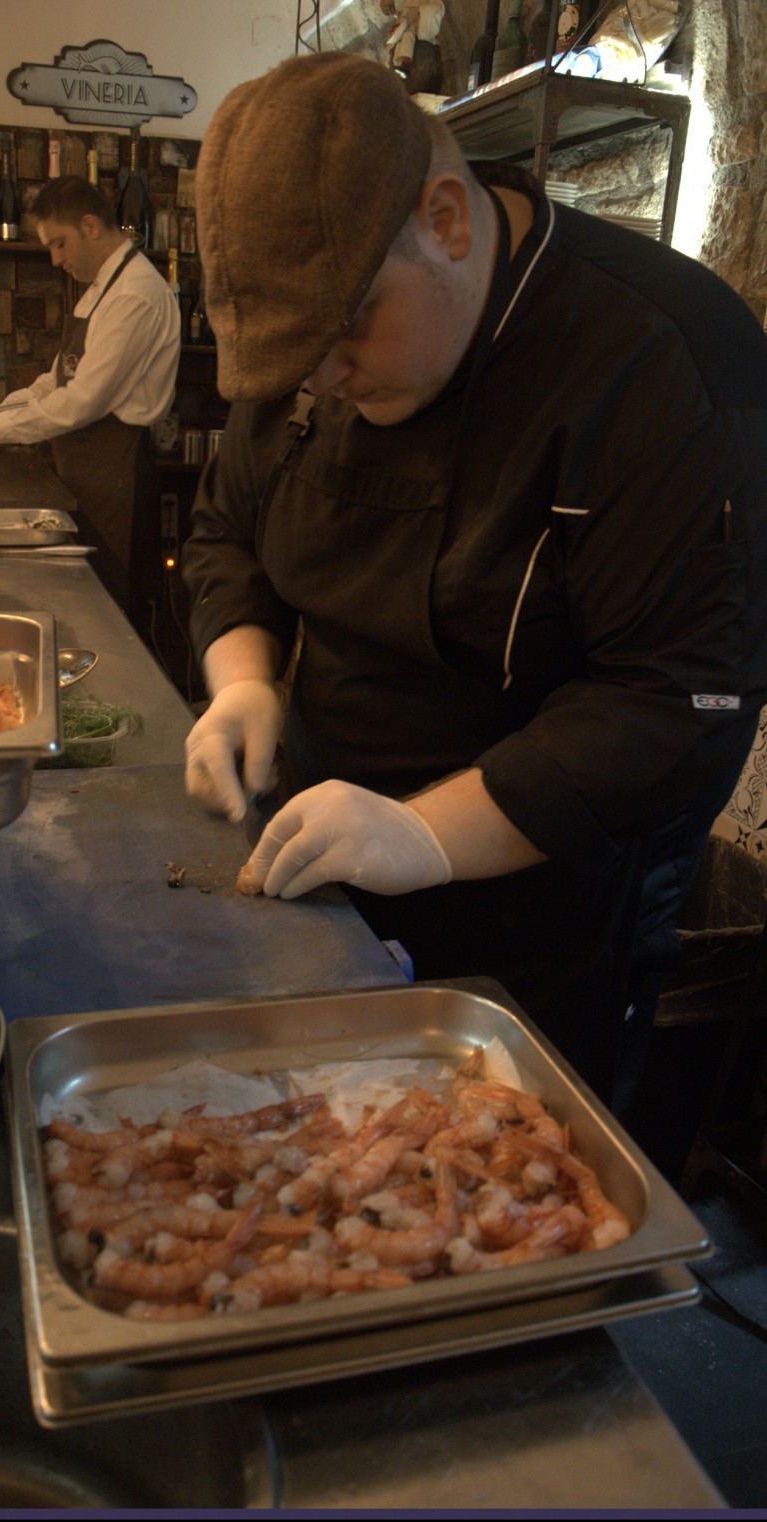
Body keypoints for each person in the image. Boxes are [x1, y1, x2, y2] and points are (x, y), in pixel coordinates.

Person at [181, 51, 767, 1122]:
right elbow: (228, 529)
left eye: (343, 335)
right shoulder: (312, 361)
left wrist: (427, 834)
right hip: (320, 862)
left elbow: (677, 700)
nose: (319, 382)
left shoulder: (665, 360)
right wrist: (243, 681)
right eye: (292, 363)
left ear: (445, 218)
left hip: (543, 921)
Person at [0, 176, 180, 628]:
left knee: (109, 611)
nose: (56, 260)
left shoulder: (135, 293)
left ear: (91, 226)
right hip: (87, 468)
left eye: (59, 244)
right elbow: (55, 381)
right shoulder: (100, 289)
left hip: (118, 471)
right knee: (86, 601)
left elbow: (80, 403)